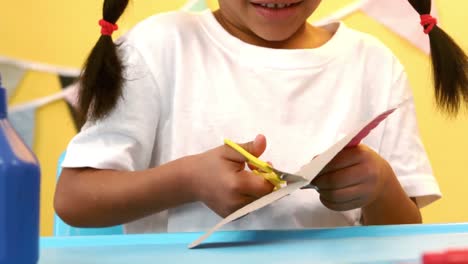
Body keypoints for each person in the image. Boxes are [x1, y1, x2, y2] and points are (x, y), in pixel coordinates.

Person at [54, 0, 467, 233]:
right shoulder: (159, 46)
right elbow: (73, 200)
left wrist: (380, 187)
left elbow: (404, 233)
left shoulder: (374, 64)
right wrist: (187, 179)